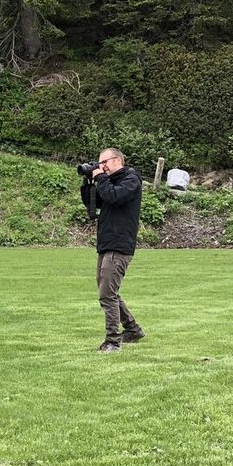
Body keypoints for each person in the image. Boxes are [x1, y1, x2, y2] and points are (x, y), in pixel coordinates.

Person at [81, 147, 146, 353]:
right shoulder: (109, 181)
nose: (102, 167)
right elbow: (95, 202)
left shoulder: (131, 179)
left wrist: (101, 178)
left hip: (120, 244)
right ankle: (133, 330)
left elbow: (115, 197)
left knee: (107, 294)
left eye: (104, 163)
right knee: (108, 290)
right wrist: (89, 182)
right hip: (107, 243)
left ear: (117, 160)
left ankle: (113, 341)